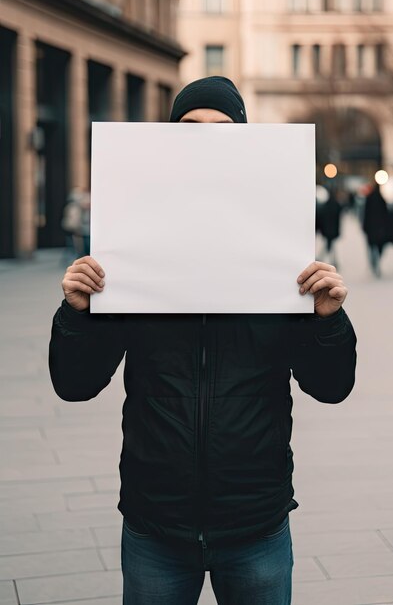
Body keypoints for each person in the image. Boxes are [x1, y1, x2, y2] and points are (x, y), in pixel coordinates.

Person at [49, 76, 357, 605]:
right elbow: (75, 384)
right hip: (155, 522)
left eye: (223, 130)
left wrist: (328, 319)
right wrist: (77, 313)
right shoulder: (131, 258)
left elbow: (331, 387)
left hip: (256, 520)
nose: (207, 142)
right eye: (191, 129)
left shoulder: (279, 262)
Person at [362, 181, 389, 277]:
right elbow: (386, 215)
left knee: (372, 246)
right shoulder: (382, 199)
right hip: (380, 228)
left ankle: (374, 263)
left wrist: (364, 227)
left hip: (371, 228)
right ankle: (376, 263)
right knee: (378, 246)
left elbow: (366, 214)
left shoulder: (369, 199)